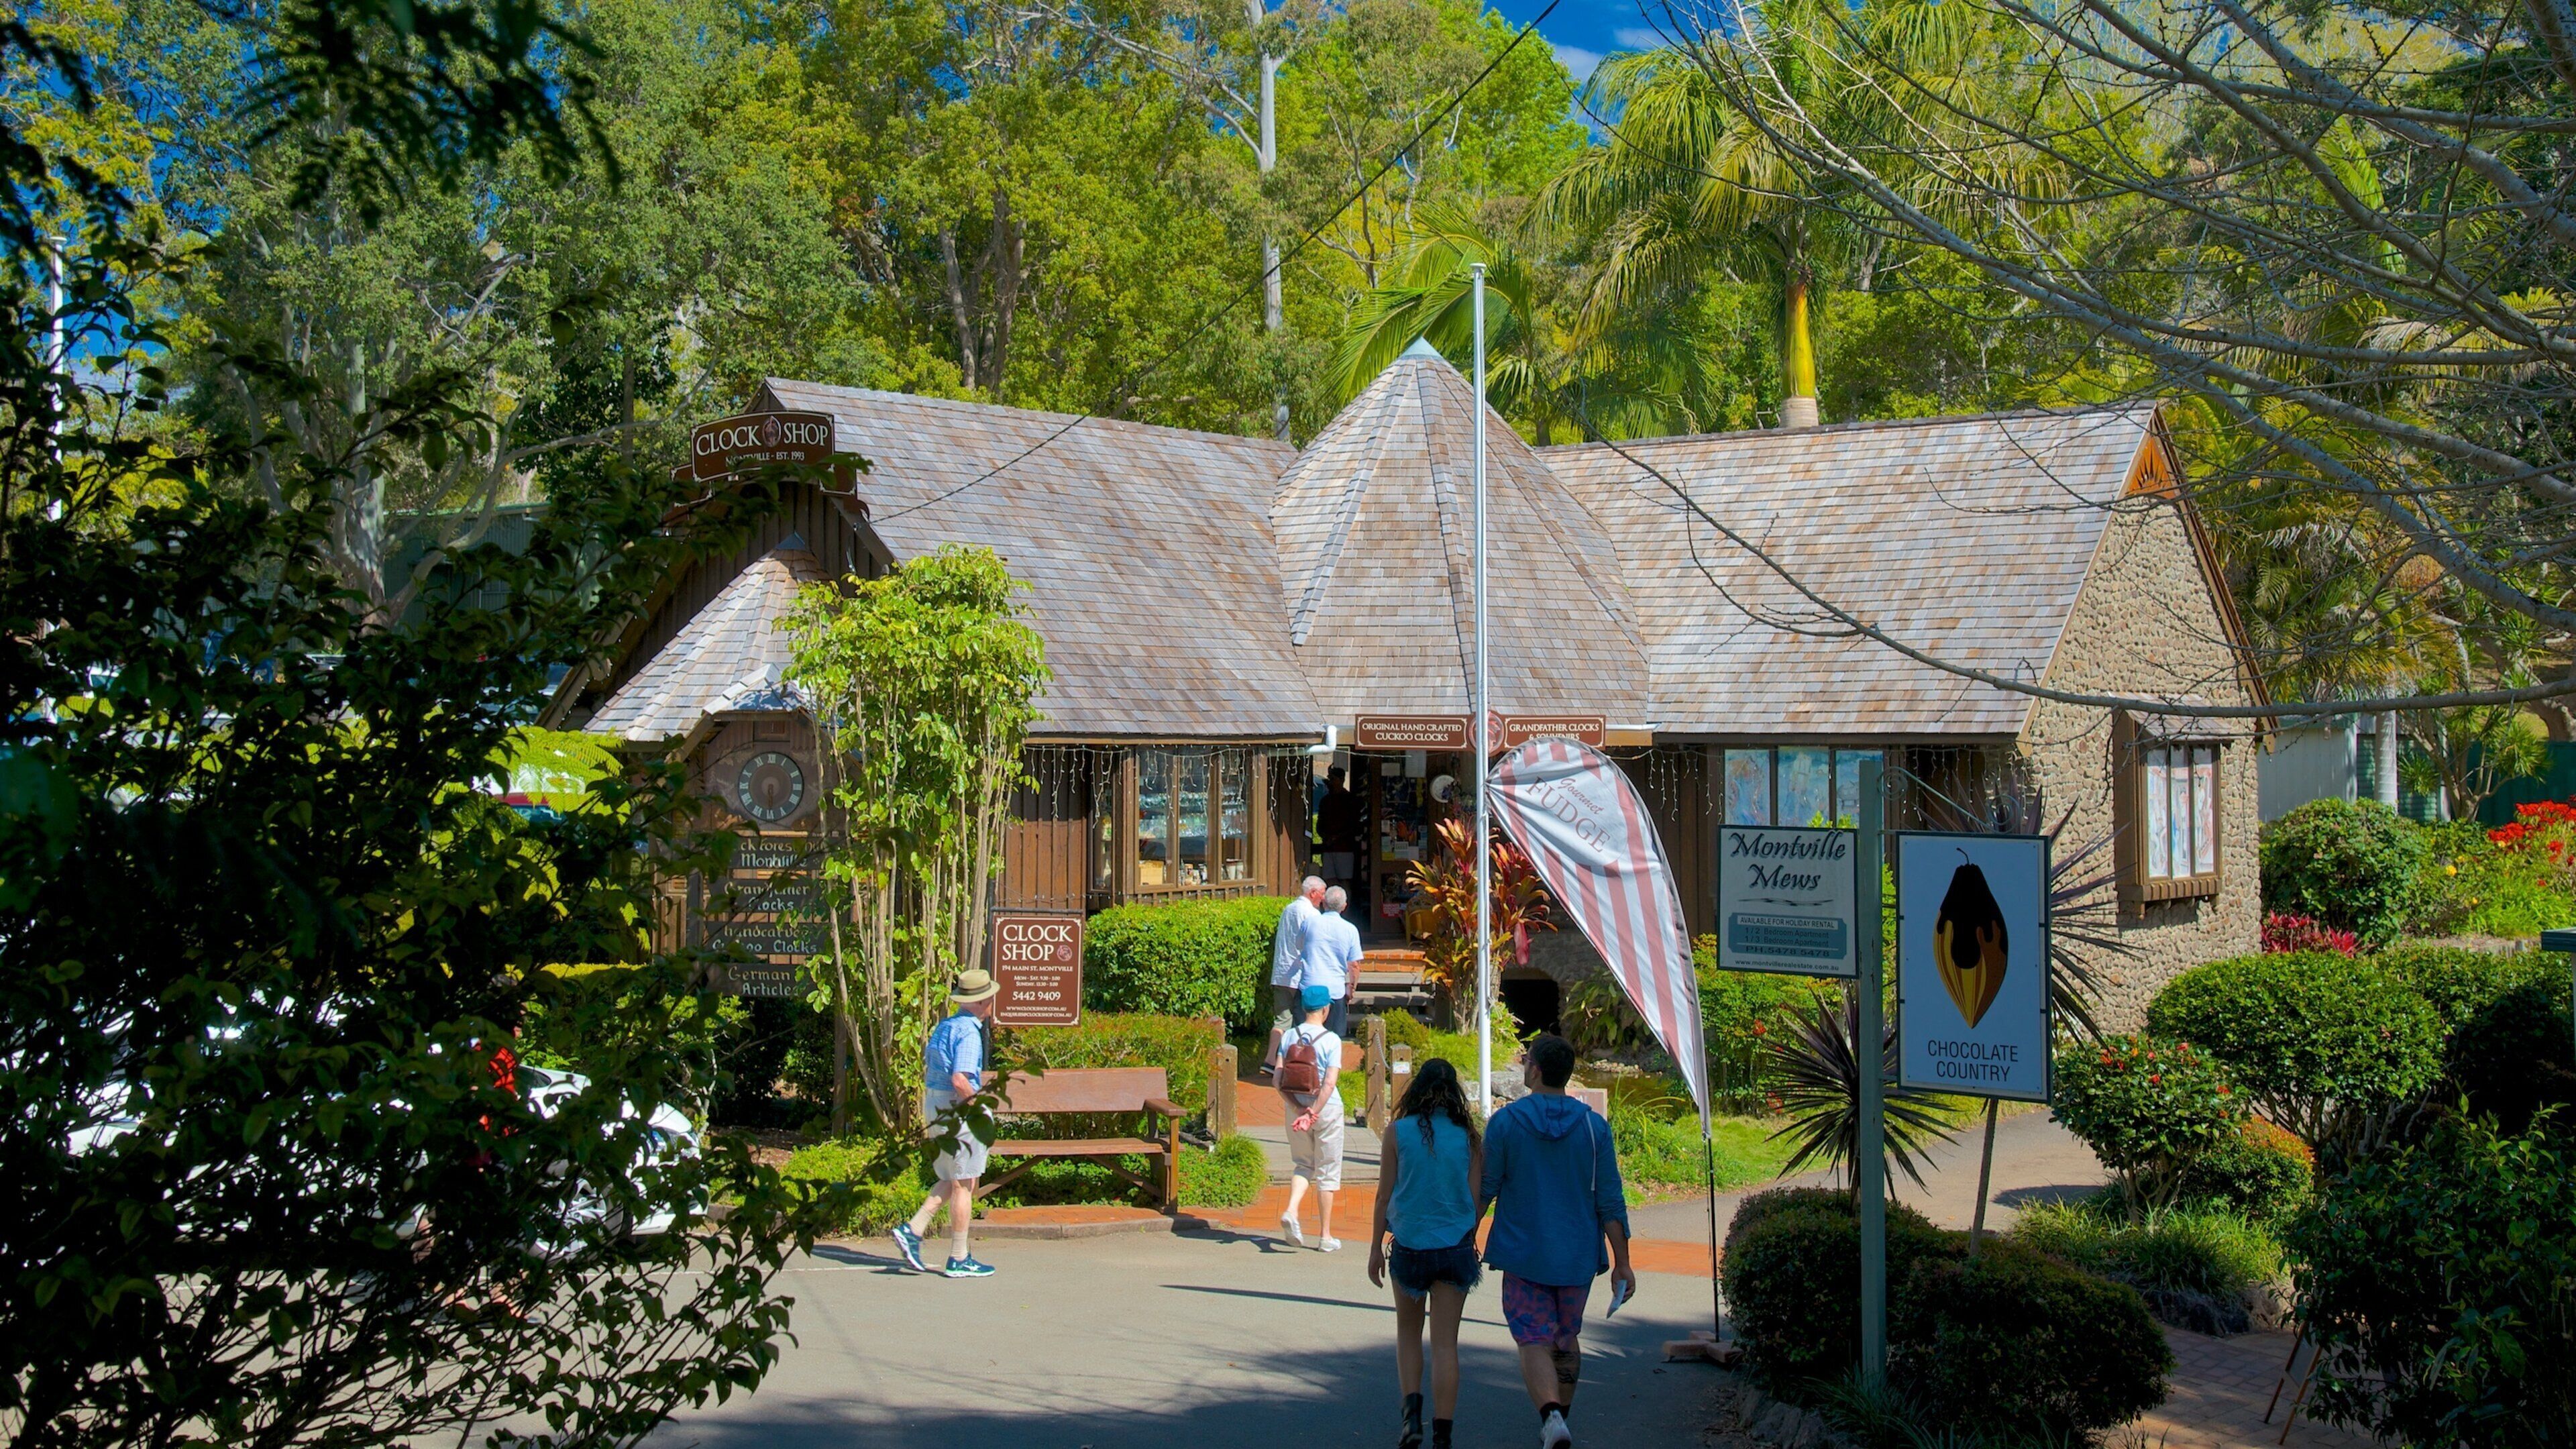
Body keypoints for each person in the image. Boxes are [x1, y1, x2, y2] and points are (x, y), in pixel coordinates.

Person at [1479, 1034, 1634, 1449]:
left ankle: (1550, 1419)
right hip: (1577, 1256)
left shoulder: (1506, 1123)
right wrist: (1622, 1262)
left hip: (1524, 1253)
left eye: (1526, 1059)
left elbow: (1486, 1188)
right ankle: (1560, 1418)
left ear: (1535, 1070)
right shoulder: (1594, 1127)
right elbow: (1610, 1201)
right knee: (1566, 1337)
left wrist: (1464, 1236)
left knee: (1533, 1337)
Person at [1367, 1057, 1483, 1449]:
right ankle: (1443, 1436)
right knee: (1446, 1343)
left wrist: (1374, 1249)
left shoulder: (1397, 1133)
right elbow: (1475, 1201)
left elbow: (1383, 1196)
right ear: (1455, 1094)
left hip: (1410, 1246)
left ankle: (1411, 1420)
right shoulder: (1469, 1138)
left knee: (1408, 1333)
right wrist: (1468, 1238)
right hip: (1455, 1248)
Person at [891, 969, 1002, 1279]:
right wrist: (980, 1109)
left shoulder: (946, 1026)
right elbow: (960, 1080)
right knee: (964, 1184)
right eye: (990, 997)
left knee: (953, 1176)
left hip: (935, 1106)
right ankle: (959, 1257)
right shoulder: (969, 1033)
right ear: (981, 1001)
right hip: (957, 1110)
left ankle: (913, 1230)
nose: (992, 1002)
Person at [1273, 982, 1345, 1251]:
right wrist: (1314, 1111)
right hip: (1327, 1110)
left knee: (1303, 1165)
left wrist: (1299, 1109)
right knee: (1328, 1171)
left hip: (1295, 1110)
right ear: (1326, 1010)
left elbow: (1277, 1081)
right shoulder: (1332, 1040)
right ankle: (1325, 1236)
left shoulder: (1289, 1037)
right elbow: (1329, 1083)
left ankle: (1292, 1210)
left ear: (1304, 1008)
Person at [1265, 876, 1328, 1077]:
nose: (1324, 898)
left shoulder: (1289, 909)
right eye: (1322, 893)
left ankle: (1270, 1060)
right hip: (1300, 974)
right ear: (1313, 893)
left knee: (1281, 1020)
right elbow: (1314, 944)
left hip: (1281, 973)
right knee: (1305, 1020)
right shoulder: (1311, 913)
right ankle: (1299, 1064)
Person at [1299, 883, 1364, 1038]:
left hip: (1309, 987)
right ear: (1344, 906)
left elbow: (1299, 947)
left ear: (1324, 903)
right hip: (1335, 990)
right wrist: (1352, 987)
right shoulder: (1351, 930)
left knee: (1306, 1037)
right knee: (1334, 1039)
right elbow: (1354, 965)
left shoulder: (1309, 923)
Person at [1318, 766, 1363, 887]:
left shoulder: (1350, 800)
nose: (1330, 782)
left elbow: (1354, 825)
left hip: (1345, 848)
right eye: (1330, 779)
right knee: (1329, 881)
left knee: (1345, 881)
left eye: (1333, 779)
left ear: (1341, 780)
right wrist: (1326, 837)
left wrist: (1337, 837)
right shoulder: (1325, 801)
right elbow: (1320, 824)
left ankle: (1346, 900)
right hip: (1329, 847)